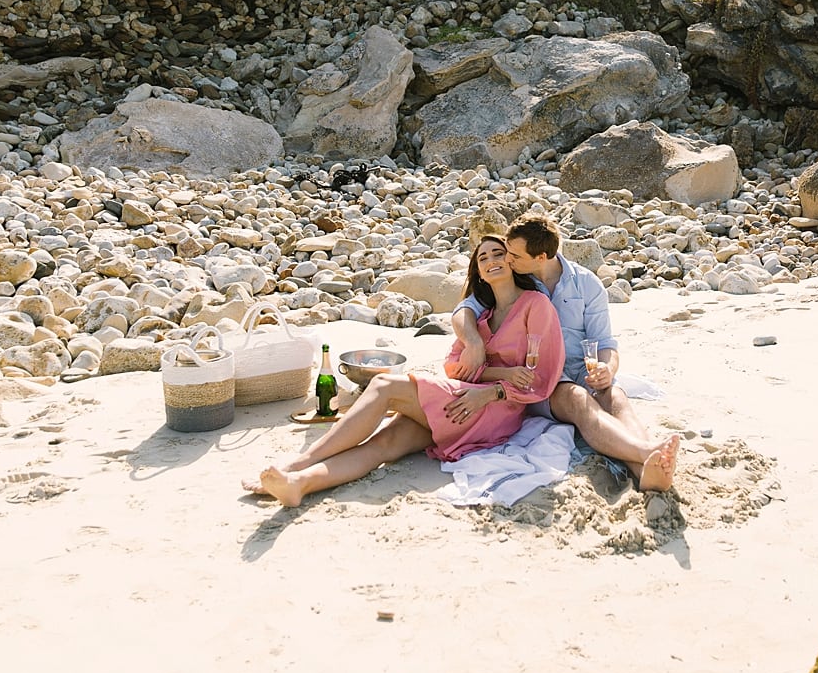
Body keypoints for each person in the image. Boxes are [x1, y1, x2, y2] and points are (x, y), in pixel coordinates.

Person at [243, 236, 564, 507]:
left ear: (512, 261)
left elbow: (542, 375)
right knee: (383, 446)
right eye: (483, 257)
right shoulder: (480, 320)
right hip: (465, 403)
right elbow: (453, 367)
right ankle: (299, 483)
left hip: (496, 411)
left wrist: (494, 389)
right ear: (478, 271)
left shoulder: (535, 305)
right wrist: (496, 371)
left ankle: (300, 460)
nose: (492, 259)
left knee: (384, 385)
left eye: (499, 253)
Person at [451, 216, 681, 492]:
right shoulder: (514, 281)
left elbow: (605, 341)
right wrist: (474, 343)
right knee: (578, 400)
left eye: (514, 255)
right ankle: (646, 452)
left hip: (582, 368)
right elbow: (463, 310)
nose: (507, 259)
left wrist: (607, 369)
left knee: (616, 398)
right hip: (541, 378)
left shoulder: (586, 284)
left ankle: (646, 469)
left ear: (542, 256)